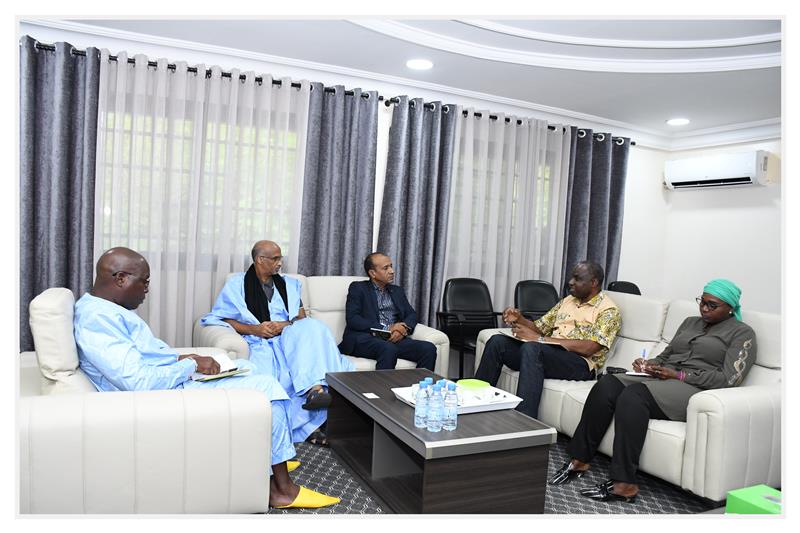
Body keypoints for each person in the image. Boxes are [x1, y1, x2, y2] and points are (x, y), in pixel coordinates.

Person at [73, 247, 339, 509]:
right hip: (159, 397)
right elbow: (137, 382)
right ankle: (283, 491)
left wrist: (181, 358)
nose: (147, 289)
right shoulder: (96, 318)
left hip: (170, 381)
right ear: (120, 278)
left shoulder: (106, 309)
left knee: (251, 369)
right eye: (144, 282)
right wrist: (189, 364)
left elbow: (142, 358)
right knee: (267, 387)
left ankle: (270, 454)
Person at [549, 279, 756, 503]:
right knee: (607, 384)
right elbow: (667, 354)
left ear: (730, 308)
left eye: (712, 305)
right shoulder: (689, 322)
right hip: (664, 378)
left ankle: (624, 484)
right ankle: (579, 460)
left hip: (694, 389)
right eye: (702, 302)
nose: (704, 309)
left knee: (633, 396)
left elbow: (729, 379)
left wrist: (678, 375)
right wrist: (650, 365)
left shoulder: (742, 334)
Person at [201, 240, 355, 445]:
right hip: (259, 339)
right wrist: (255, 329)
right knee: (279, 373)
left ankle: (315, 390)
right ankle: (308, 425)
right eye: (275, 258)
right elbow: (222, 318)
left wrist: (283, 325)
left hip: (290, 334)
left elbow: (300, 317)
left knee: (313, 327)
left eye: (280, 258)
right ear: (260, 260)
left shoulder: (290, 284)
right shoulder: (236, 285)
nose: (280, 263)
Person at [474, 261, 620, 420]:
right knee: (497, 342)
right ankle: (474, 403)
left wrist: (539, 339)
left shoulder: (608, 310)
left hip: (580, 363)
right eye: (572, 277)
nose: (570, 282)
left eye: (577, 279)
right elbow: (540, 327)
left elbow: (590, 348)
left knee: (532, 348)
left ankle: (524, 423)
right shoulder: (568, 301)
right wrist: (520, 319)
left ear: (593, 283)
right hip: (549, 354)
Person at [338, 253, 437, 371]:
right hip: (365, 339)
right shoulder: (358, 288)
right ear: (372, 273)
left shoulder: (397, 291)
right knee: (388, 348)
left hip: (393, 339)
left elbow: (412, 314)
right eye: (386, 268)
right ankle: (380, 389)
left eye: (391, 266)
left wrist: (403, 329)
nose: (392, 271)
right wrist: (387, 328)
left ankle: (417, 388)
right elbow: (353, 319)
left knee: (428, 348)